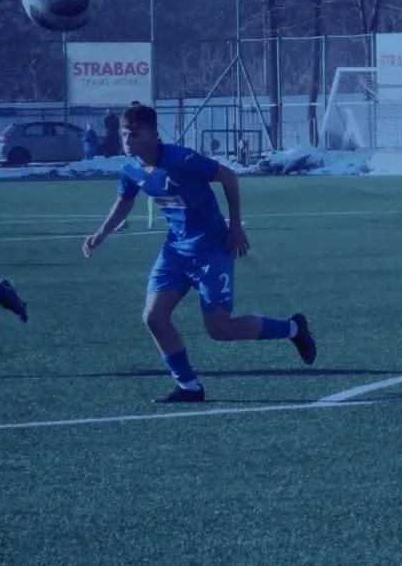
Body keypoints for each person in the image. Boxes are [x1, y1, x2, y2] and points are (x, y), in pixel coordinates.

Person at [82, 105, 316, 403]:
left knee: (220, 329)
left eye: (135, 134)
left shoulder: (181, 159)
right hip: (175, 249)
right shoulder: (130, 168)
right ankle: (189, 386)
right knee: (153, 317)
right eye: (124, 134)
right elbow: (124, 201)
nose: (128, 140)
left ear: (153, 134)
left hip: (211, 247)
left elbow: (228, 177)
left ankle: (293, 328)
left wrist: (235, 227)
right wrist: (100, 234)